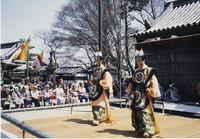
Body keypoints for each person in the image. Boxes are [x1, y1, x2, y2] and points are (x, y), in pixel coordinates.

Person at [126, 49, 160, 138]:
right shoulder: (136, 71)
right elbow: (132, 82)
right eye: (136, 60)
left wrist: (151, 90)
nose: (138, 62)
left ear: (143, 60)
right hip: (136, 94)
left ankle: (148, 130)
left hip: (145, 94)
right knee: (136, 112)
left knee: (145, 112)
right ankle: (139, 128)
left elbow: (154, 82)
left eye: (139, 59)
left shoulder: (149, 71)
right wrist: (129, 90)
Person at [90, 51, 114, 126]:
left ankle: (98, 118)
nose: (97, 61)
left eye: (98, 59)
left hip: (101, 89)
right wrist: (92, 81)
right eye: (96, 59)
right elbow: (92, 79)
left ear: (101, 60)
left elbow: (108, 79)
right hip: (95, 89)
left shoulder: (104, 70)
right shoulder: (95, 69)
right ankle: (96, 117)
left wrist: (102, 82)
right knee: (94, 104)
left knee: (100, 104)